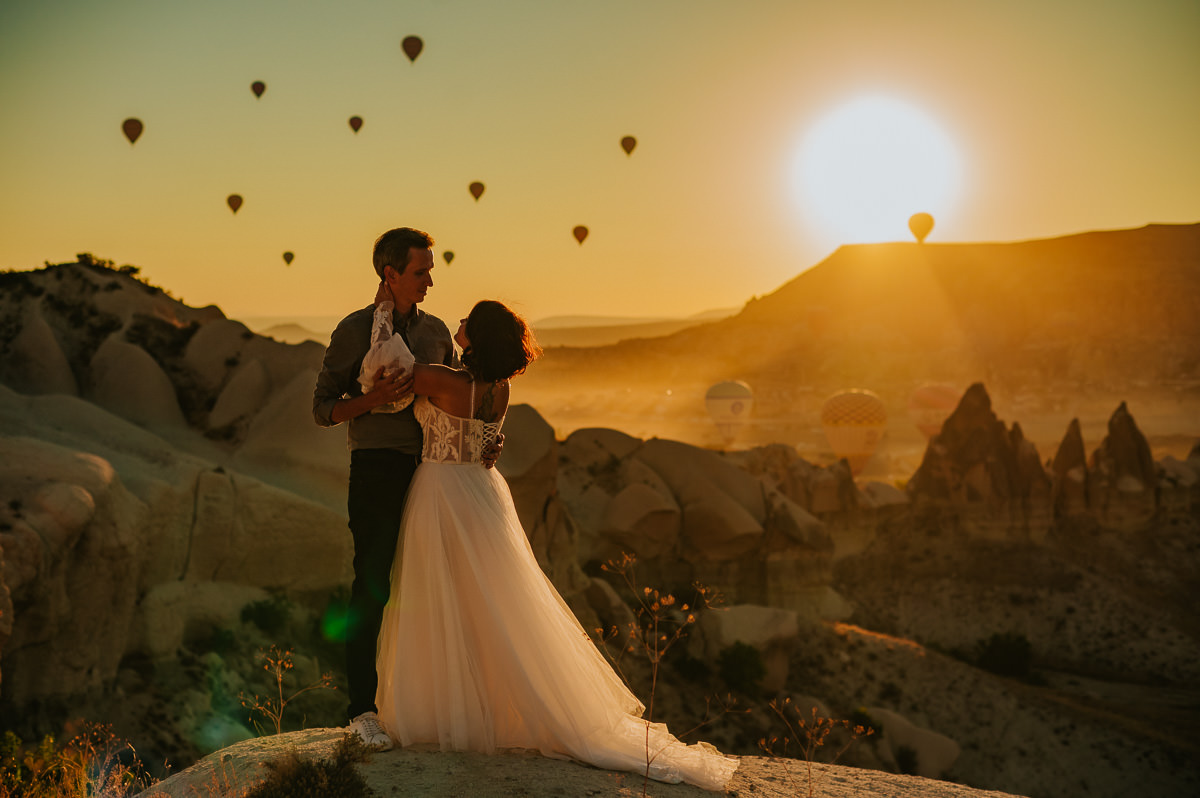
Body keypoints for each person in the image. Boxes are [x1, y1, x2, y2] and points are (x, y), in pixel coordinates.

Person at [372, 296, 739, 791]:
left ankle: (448, 714)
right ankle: (493, 710)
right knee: (494, 603)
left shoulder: (444, 379)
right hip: (482, 493)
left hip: (439, 493)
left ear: (478, 336)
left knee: (441, 598)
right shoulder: (498, 390)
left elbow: (383, 371)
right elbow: (482, 442)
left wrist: (381, 316)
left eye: (467, 321)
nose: (458, 322)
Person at [313, 227, 500, 750]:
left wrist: (488, 437)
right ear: (389, 274)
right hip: (375, 468)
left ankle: (442, 704)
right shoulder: (353, 330)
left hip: (432, 474)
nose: (431, 281)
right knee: (372, 585)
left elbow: (468, 396)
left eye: (431, 270)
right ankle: (362, 711)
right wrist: (370, 402)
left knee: (433, 589)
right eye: (421, 272)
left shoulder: (438, 331)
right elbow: (322, 409)